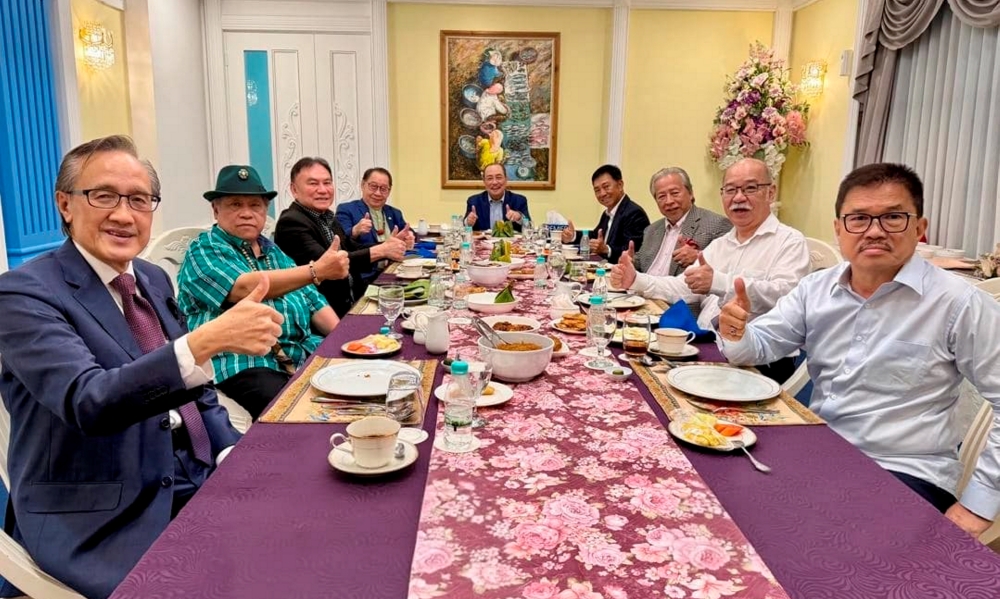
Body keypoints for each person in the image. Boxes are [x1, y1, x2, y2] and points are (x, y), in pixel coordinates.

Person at [0, 136, 283, 598]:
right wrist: (208, 339)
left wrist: (230, 451)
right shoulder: (23, 293)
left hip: (190, 472)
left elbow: (195, 390)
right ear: (65, 204)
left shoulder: (151, 278)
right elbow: (88, 400)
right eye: (104, 195)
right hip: (104, 512)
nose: (123, 214)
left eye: (138, 199)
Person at [717, 163, 1000, 536]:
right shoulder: (815, 290)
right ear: (838, 229)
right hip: (815, 449)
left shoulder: (958, 303)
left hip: (902, 471)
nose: (875, 231)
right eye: (859, 219)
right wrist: (737, 332)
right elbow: (761, 346)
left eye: (893, 217)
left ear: (920, 228)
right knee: (719, 504)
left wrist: (979, 506)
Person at [611, 157, 810, 382]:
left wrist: (718, 282)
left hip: (757, 363)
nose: (738, 197)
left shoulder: (789, 241)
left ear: (771, 192)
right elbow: (682, 286)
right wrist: (635, 279)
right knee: (624, 367)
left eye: (750, 188)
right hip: (704, 347)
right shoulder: (721, 244)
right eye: (731, 190)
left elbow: (787, 297)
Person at [178, 165, 349, 419]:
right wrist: (316, 271)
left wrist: (344, 343)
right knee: (299, 416)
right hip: (244, 362)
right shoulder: (203, 250)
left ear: (265, 210)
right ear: (216, 209)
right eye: (235, 205)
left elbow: (313, 300)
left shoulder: (273, 251)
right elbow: (245, 287)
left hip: (298, 354)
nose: (247, 213)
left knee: (355, 390)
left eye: (255, 206)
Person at [274, 157, 407, 317]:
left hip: (355, 300)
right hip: (325, 315)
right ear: (294, 189)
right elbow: (333, 265)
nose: (323, 190)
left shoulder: (327, 216)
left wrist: (388, 246)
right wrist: (382, 251)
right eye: (313, 183)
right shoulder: (292, 222)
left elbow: (351, 247)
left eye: (327, 183)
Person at [633, 167, 732, 276]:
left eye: (675, 193)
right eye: (661, 196)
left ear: (690, 193)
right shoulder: (651, 230)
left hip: (679, 291)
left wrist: (697, 256)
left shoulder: (717, 224)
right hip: (642, 290)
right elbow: (641, 262)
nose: (669, 201)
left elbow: (729, 267)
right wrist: (630, 262)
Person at [335, 167, 414, 284]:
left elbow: (407, 231)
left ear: (389, 191)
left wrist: (410, 236)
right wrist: (355, 231)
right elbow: (340, 241)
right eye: (373, 187)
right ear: (363, 185)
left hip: (394, 272)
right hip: (365, 277)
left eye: (383, 189)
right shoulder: (347, 209)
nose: (378, 193)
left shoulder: (394, 213)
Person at [561, 164, 650, 263]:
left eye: (606, 187)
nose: (602, 193)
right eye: (597, 190)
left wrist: (606, 249)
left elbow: (633, 252)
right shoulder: (607, 213)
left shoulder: (634, 213)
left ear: (620, 185)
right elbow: (595, 236)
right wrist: (572, 236)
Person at [464, 162, 531, 231]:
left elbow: (529, 227)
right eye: (490, 178)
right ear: (484, 181)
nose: (495, 182)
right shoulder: (474, 201)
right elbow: (464, 227)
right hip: (483, 241)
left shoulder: (519, 201)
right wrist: (468, 222)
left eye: (499, 177)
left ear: (506, 179)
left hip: (510, 242)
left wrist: (519, 218)